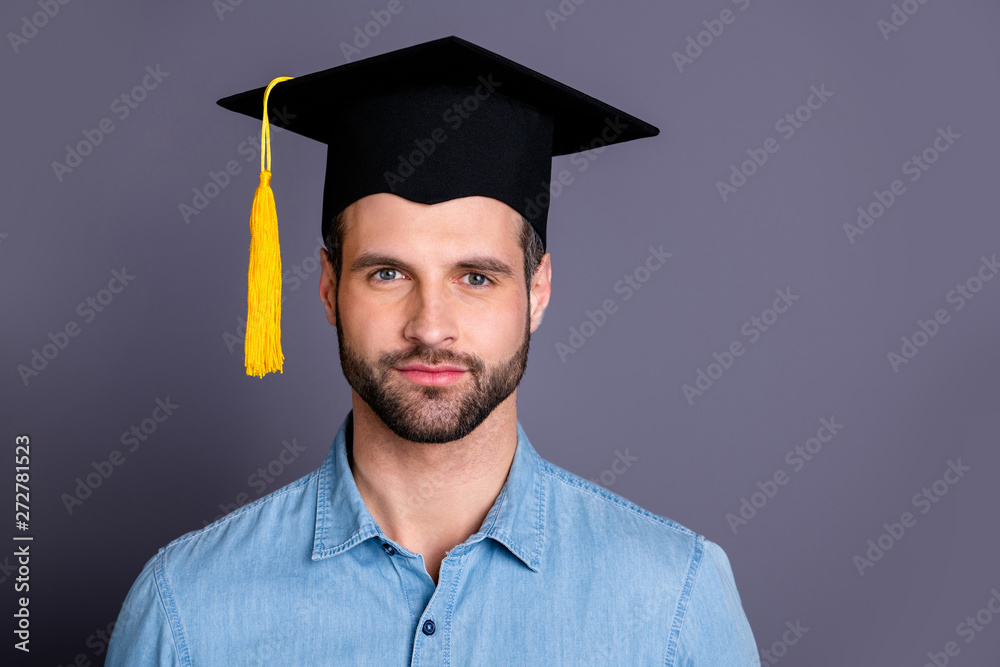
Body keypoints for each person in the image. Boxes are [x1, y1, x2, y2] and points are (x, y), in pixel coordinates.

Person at [106, 35, 760, 665]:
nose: (430, 325)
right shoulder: (189, 608)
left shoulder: (673, 599)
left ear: (538, 291)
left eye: (476, 277)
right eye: (387, 273)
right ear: (330, 289)